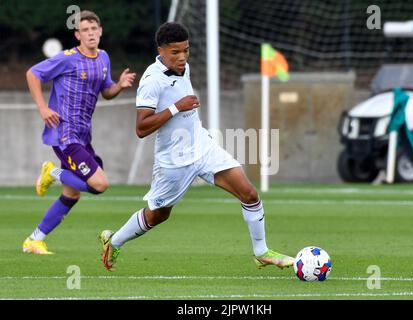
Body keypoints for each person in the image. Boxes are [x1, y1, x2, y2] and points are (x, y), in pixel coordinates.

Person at [99, 22, 294, 271]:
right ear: (161, 51)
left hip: (203, 147)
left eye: (186, 51)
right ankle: (114, 241)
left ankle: (261, 251)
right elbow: (141, 128)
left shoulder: (184, 68)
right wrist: (176, 107)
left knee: (250, 194)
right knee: (158, 214)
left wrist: (183, 109)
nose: (182, 57)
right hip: (173, 160)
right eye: (175, 53)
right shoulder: (151, 80)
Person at [23, 10, 136, 254]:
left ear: (101, 31)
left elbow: (106, 91)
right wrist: (43, 107)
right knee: (99, 184)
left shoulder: (103, 58)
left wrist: (119, 85)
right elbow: (32, 74)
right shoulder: (67, 58)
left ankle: (34, 239)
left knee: (72, 194)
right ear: (78, 35)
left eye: (94, 29)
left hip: (84, 136)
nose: (91, 34)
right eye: (85, 30)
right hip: (65, 135)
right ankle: (52, 172)